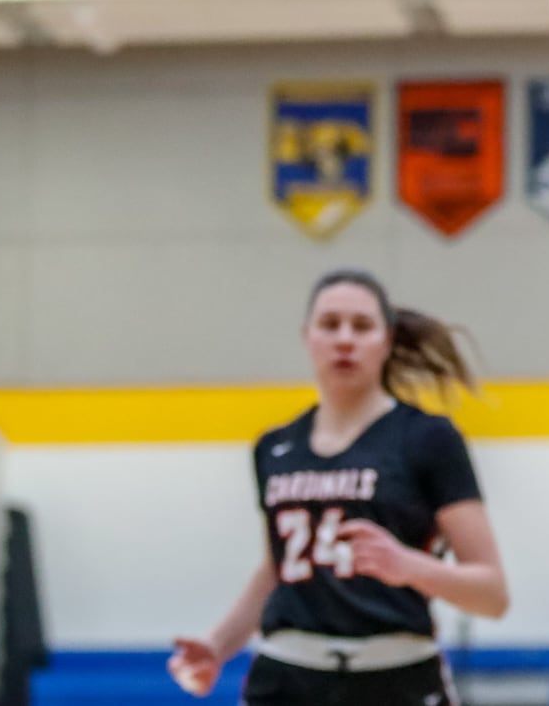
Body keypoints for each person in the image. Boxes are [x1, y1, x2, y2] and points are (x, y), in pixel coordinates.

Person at [168, 268, 509, 705]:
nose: (345, 339)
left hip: (396, 676)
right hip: (286, 675)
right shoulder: (275, 447)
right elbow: (277, 569)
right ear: (306, 336)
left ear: (386, 342)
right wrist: (218, 645)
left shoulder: (427, 438)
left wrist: (408, 566)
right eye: (330, 325)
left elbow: (493, 594)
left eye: (362, 326)